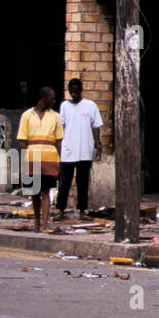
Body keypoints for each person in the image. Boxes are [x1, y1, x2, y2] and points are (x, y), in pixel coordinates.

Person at [15, 87, 64, 233]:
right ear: (44, 98)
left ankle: (44, 222)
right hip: (32, 158)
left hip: (49, 158)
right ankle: (37, 220)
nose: (54, 101)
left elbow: (59, 141)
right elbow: (23, 141)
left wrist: (59, 162)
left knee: (45, 191)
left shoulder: (55, 117)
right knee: (34, 192)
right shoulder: (27, 116)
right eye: (52, 98)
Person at [57, 78, 103, 219]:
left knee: (82, 182)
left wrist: (98, 145)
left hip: (85, 150)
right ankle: (61, 210)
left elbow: (96, 127)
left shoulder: (90, 105)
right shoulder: (64, 106)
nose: (73, 92)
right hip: (68, 150)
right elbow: (61, 127)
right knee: (65, 181)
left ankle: (82, 210)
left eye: (76, 89)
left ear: (81, 89)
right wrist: (58, 150)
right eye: (71, 90)